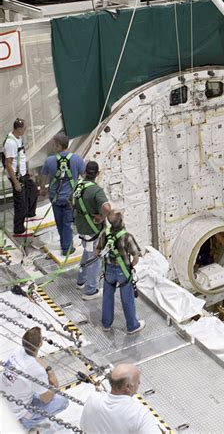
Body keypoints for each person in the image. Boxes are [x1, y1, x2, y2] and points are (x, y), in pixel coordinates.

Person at [2, 326, 68, 428]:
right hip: (17, 412)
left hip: (5, 400)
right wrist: (54, 385)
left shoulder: (18, 350)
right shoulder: (37, 372)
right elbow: (45, 399)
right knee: (62, 401)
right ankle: (24, 423)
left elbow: (35, 357)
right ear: (40, 344)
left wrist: (49, 370)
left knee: (34, 387)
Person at [95, 210, 144, 334]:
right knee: (127, 298)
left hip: (109, 271)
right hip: (123, 272)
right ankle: (132, 326)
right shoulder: (127, 236)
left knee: (107, 297)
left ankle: (106, 324)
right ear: (121, 221)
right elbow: (136, 257)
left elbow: (97, 253)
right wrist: (129, 266)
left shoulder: (104, 234)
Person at [40, 132, 85, 256]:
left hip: (55, 198)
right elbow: (85, 176)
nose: (53, 147)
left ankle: (65, 245)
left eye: (54, 145)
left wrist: (43, 189)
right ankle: (67, 247)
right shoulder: (77, 159)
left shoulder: (49, 161)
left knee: (60, 222)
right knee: (67, 223)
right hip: (70, 199)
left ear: (58, 146)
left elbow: (43, 176)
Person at [80, 363, 159, 433]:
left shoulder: (93, 398)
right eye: (137, 381)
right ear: (127, 387)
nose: (139, 383)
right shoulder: (140, 414)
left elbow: (84, 427)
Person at [72, 160, 111, 300]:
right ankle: (90, 290)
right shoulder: (96, 190)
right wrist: (101, 217)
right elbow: (107, 208)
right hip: (92, 230)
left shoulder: (78, 185)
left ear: (84, 172)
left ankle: (81, 280)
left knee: (87, 253)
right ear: (97, 174)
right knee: (95, 258)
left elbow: (71, 201)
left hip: (81, 227)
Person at [3, 118, 38, 237]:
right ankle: (19, 229)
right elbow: (8, 164)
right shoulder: (10, 143)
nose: (25, 130)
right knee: (20, 203)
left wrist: (27, 168)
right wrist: (16, 182)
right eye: (24, 128)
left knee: (33, 190)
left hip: (23, 172)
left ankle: (29, 214)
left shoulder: (19, 138)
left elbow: (22, 155)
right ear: (18, 129)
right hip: (16, 176)